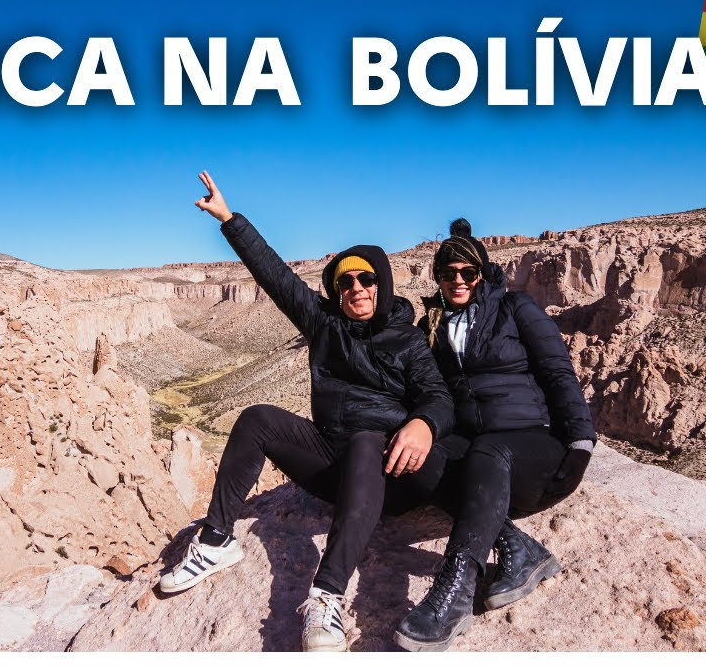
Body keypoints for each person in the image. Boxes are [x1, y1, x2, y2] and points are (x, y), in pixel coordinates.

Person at [157, 171, 458, 652]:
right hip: (330, 466)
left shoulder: (407, 340)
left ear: (381, 284)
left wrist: (424, 424)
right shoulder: (325, 325)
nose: (356, 288)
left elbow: (438, 397)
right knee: (255, 417)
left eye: (366, 279)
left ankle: (328, 595)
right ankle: (216, 540)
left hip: (384, 477)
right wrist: (229, 220)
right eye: (346, 282)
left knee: (364, 438)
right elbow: (275, 276)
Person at [394, 218, 597, 652]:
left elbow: (558, 372)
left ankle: (455, 592)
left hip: (534, 450)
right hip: (482, 461)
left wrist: (580, 444)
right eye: (448, 274)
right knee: (420, 457)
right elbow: (422, 389)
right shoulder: (433, 327)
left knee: (489, 448)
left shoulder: (515, 308)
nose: (457, 281)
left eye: (467, 272)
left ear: (482, 274)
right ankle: (518, 547)